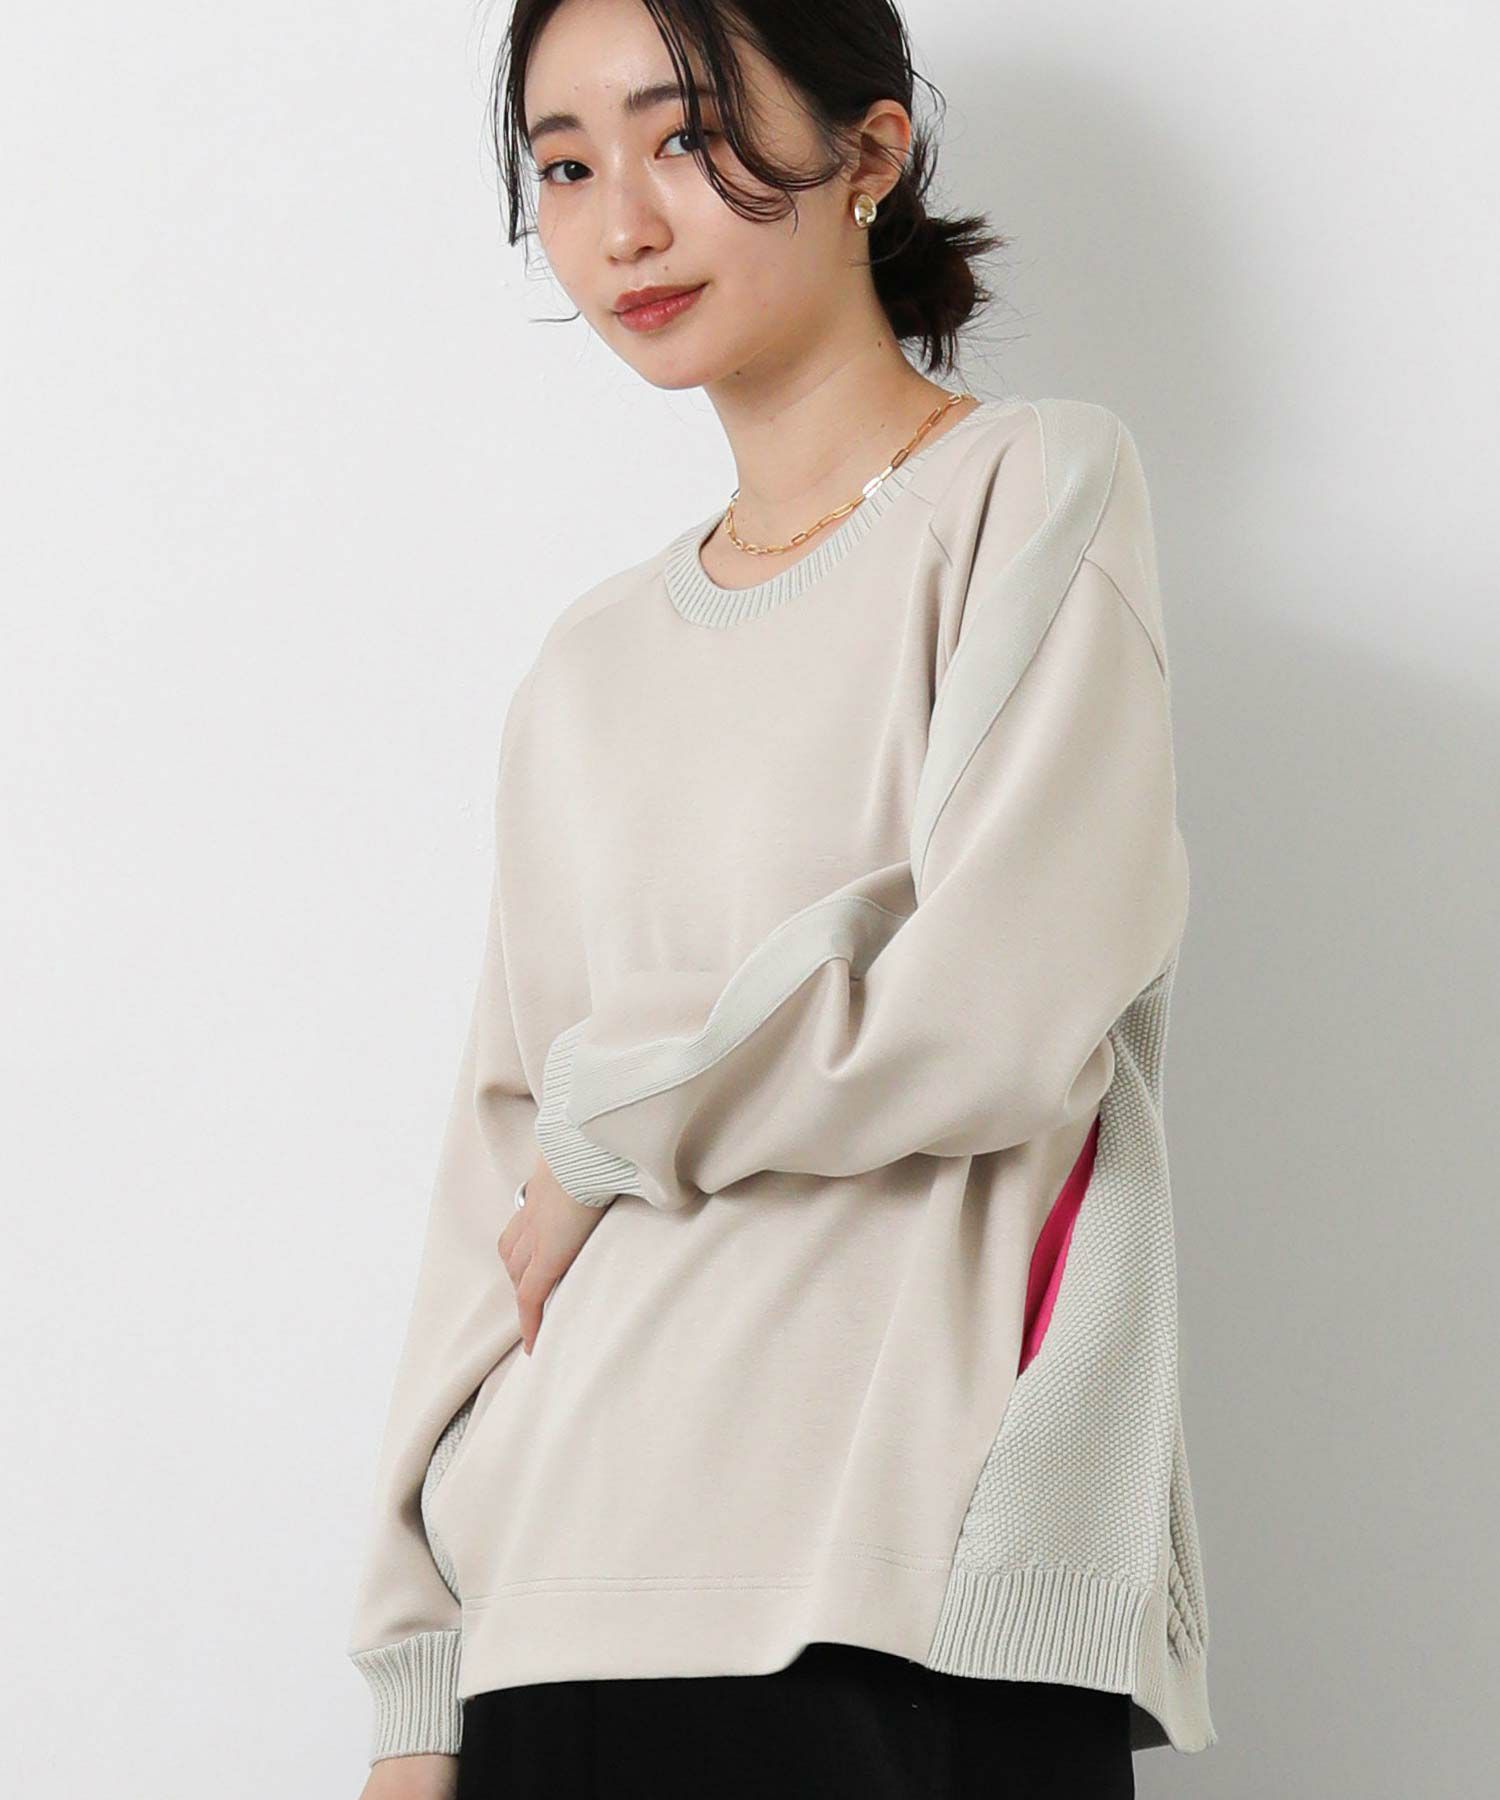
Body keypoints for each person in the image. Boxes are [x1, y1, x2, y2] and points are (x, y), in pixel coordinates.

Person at [346, 0, 1217, 1794]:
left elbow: (995, 1017)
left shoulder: (1029, 490)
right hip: (557, 1606)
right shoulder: (586, 665)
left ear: (871, 153)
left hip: (895, 1597)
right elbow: (494, 1168)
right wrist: (417, 1677)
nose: (622, 224)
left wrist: (616, 1119)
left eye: (684, 136)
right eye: (564, 166)